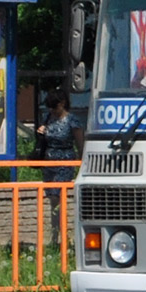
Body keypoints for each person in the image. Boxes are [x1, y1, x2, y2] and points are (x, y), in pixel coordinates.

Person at [36, 88, 83, 244]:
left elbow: (80, 145)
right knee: (52, 199)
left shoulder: (72, 121)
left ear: (62, 104)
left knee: (57, 196)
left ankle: (61, 235)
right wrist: (40, 133)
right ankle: (56, 234)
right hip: (49, 162)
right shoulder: (48, 118)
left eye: (54, 107)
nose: (52, 111)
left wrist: (81, 166)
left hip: (65, 161)